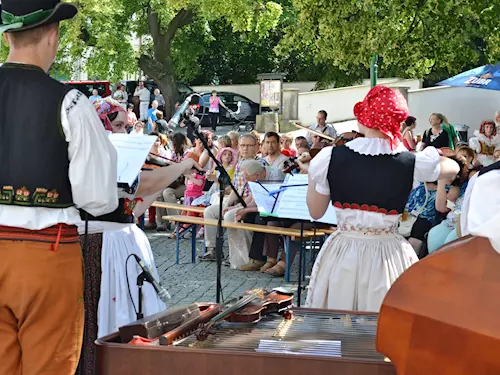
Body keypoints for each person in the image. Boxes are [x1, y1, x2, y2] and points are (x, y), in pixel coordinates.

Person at [0, 1, 119, 374]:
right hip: (45, 256)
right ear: (52, 36)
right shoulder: (71, 103)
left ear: (7, 36)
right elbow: (97, 198)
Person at [304, 86, 460, 312]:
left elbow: (316, 211)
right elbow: (452, 168)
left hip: (345, 249)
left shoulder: (330, 157)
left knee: (338, 321)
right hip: (388, 251)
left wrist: (313, 176)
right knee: (384, 320)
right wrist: (431, 158)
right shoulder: (410, 162)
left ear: (363, 120)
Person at [76, 98, 198, 375]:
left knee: (134, 311)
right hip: (103, 245)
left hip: (123, 242)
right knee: (104, 313)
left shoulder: (110, 156)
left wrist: (165, 179)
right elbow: (143, 184)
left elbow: (133, 209)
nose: (122, 132)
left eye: (125, 126)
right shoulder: (95, 155)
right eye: (117, 125)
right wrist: (180, 167)